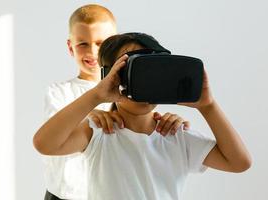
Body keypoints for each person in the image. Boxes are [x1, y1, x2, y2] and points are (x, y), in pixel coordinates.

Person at [34, 32, 252, 200]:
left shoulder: (175, 135)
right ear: (111, 76)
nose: (146, 85)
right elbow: (45, 144)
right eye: (134, 72)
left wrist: (208, 106)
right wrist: (95, 96)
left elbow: (239, 162)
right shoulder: (98, 131)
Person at [42, 4, 189, 200]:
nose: (92, 51)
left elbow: (141, 129)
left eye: (100, 43)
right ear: (70, 47)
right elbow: (54, 138)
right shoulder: (59, 92)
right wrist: (90, 117)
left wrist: (165, 122)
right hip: (64, 195)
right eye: (82, 44)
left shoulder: (130, 92)